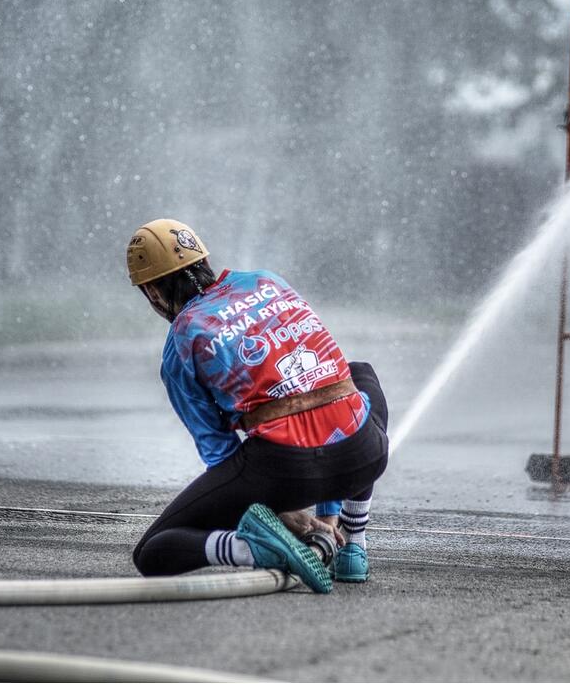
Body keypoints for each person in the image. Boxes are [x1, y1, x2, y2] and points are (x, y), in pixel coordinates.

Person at [126, 218, 389, 593]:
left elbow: (218, 450)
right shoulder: (267, 281)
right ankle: (353, 544)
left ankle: (253, 549)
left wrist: (277, 510)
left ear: (152, 292)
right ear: (203, 259)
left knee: (153, 551)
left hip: (286, 472)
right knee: (359, 374)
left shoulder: (182, 340)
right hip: (363, 457)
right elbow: (324, 376)